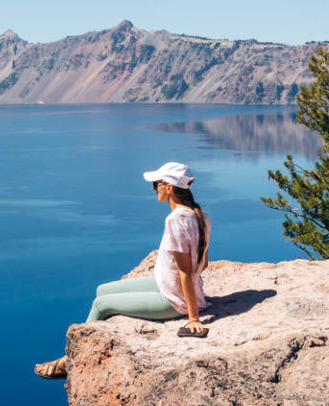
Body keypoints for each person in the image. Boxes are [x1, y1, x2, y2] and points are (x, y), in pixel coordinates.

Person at [34, 161, 210, 379]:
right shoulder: (199, 215)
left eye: (156, 184)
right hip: (170, 287)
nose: (154, 189)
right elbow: (203, 264)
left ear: (169, 187)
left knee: (101, 304)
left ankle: (69, 359)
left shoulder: (175, 220)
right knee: (102, 290)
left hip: (174, 300)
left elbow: (185, 271)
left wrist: (193, 318)